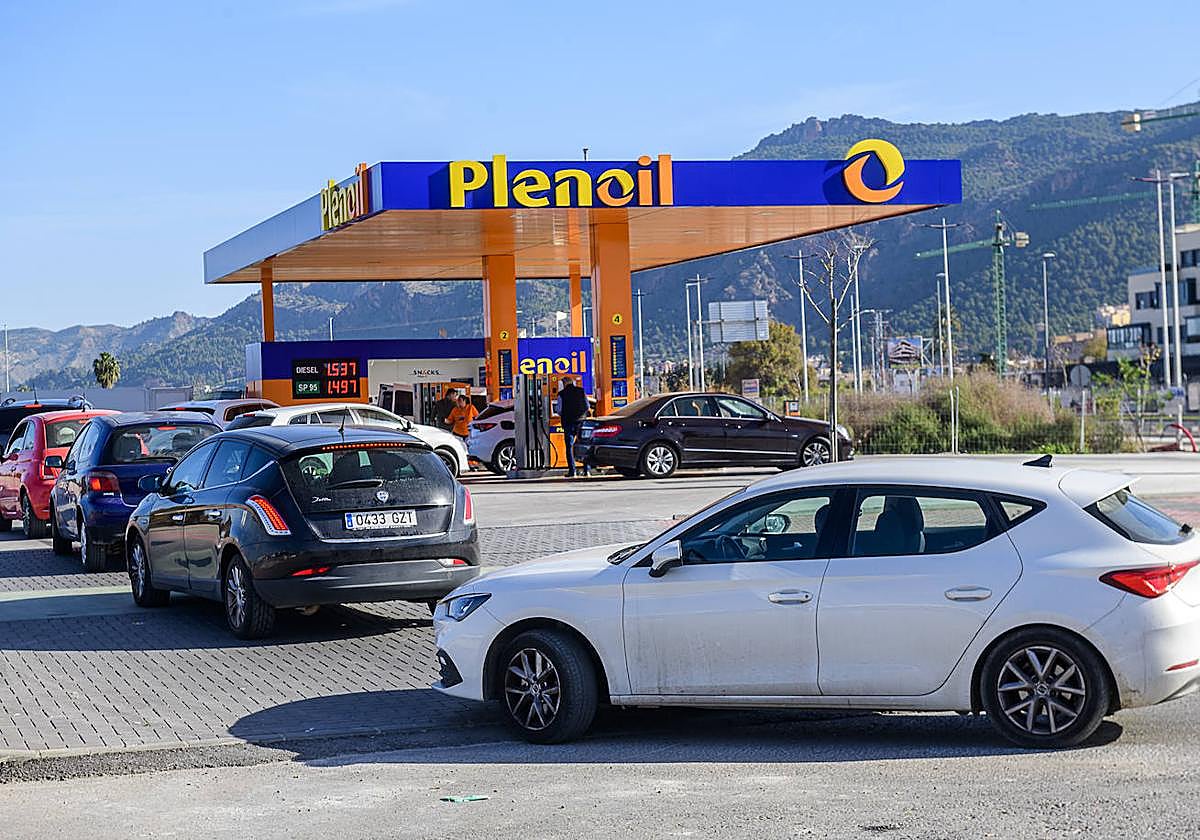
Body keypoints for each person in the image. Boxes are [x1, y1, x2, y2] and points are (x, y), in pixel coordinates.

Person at [557, 377, 590, 478]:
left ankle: (573, 471)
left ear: (564, 384)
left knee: (569, 447)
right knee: (583, 445)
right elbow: (587, 406)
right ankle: (587, 471)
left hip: (568, 423)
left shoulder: (561, 394)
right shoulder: (581, 391)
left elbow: (559, 410)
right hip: (581, 422)